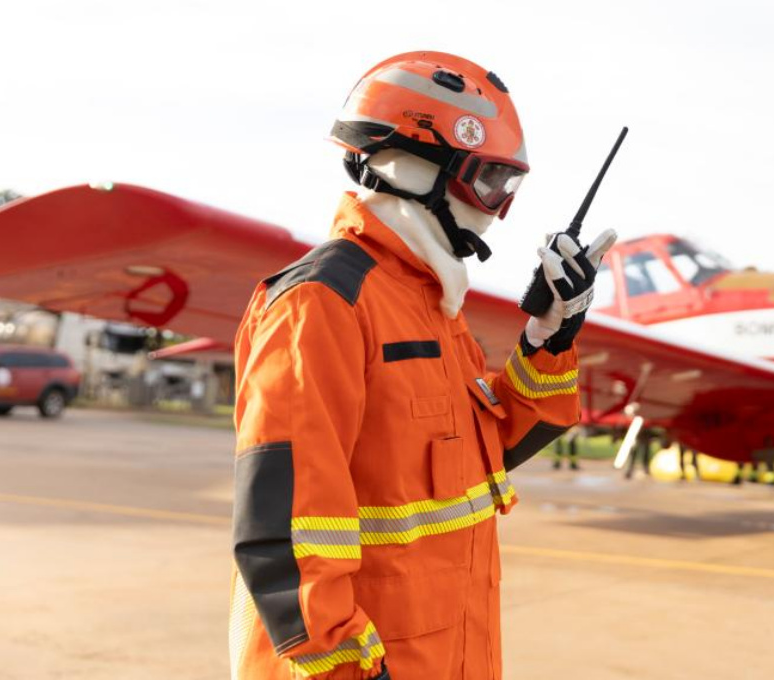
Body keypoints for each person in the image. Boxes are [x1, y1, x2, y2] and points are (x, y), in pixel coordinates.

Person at [228, 51, 616, 680]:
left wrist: (548, 333)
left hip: (449, 653)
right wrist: (345, 667)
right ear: (413, 167)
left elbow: (489, 451)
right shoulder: (321, 302)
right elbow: (288, 533)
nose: (496, 208)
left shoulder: (428, 302)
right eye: (490, 181)